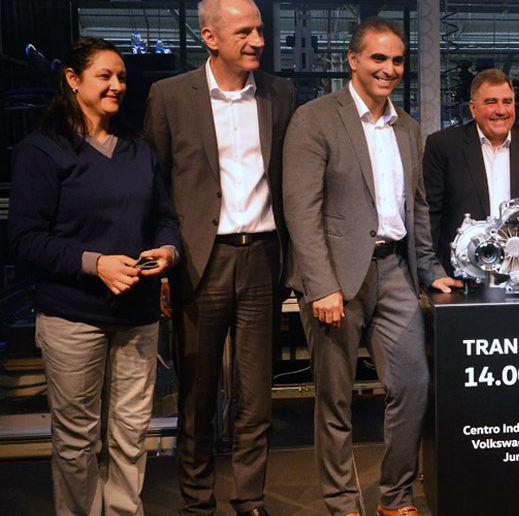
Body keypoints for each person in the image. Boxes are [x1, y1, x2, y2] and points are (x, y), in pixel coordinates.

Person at [281, 16, 462, 516]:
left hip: (396, 272)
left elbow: (417, 207)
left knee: (413, 385)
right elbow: (301, 210)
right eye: (378, 58)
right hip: (335, 279)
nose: (389, 69)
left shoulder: (408, 128)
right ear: (353, 60)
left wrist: (429, 269)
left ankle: (395, 498)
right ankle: (342, 504)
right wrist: (321, 285)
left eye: (398, 60)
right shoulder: (315, 119)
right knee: (335, 400)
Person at [9, 36, 180, 516]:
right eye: (104, 76)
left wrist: (168, 251)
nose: (116, 85)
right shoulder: (43, 151)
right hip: (73, 316)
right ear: (72, 79)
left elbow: (166, 218)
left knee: (130, 433)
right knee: (77, 440)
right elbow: (25, 239)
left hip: (138, 316)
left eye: (121, 77)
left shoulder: (138, 148)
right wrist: (95, 263)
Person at [143, 0, 296, 514]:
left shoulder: (280, 94)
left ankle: (250, 498)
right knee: (197, 394)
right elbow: (155, 187)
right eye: (244, 32)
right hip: (197, 263)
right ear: (209, 38)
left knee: (256, 396)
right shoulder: (170, 96)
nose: (258, 41)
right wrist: (163, 269)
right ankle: (197, 501)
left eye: (259, 30)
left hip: (262, 259)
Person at [423, 68, 519, 275]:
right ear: (473, 108)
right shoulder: (444, 146)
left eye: (507, 102)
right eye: (491, 102)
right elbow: (430, 215)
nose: (501, 110)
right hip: (461, 272)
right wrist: (432, 272)